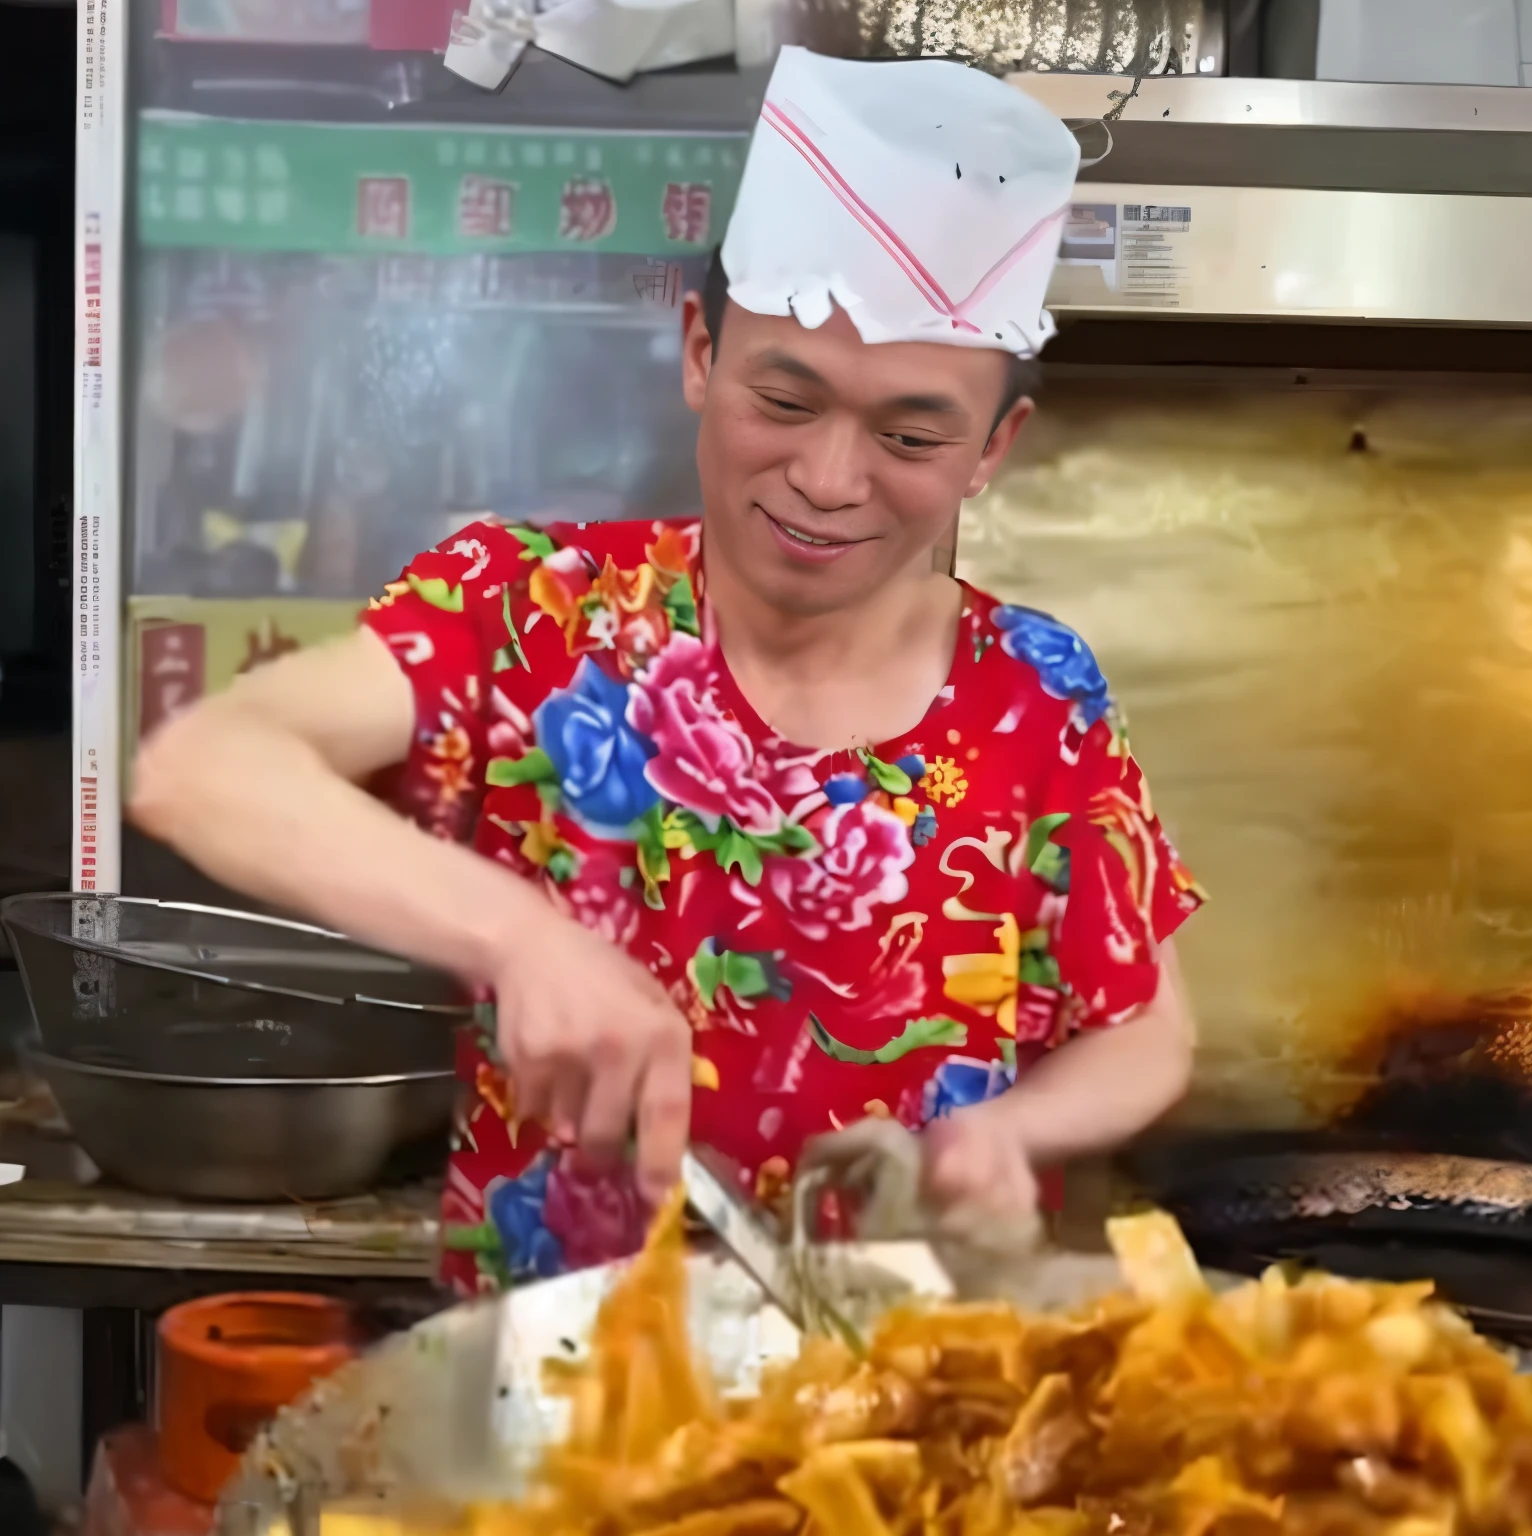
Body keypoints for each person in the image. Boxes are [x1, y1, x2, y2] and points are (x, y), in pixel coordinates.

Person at [130, 47, 1204, 1294]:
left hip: (914, 1398)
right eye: (785, 401)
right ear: (700, 352)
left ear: (991, 450)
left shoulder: (1036, 690)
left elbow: (1148, 1030)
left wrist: (1004, 1135)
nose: (829, 478)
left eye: (910, 434)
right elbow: (199, 767)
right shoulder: (532, 612)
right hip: (557, 1391)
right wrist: (523, 941)